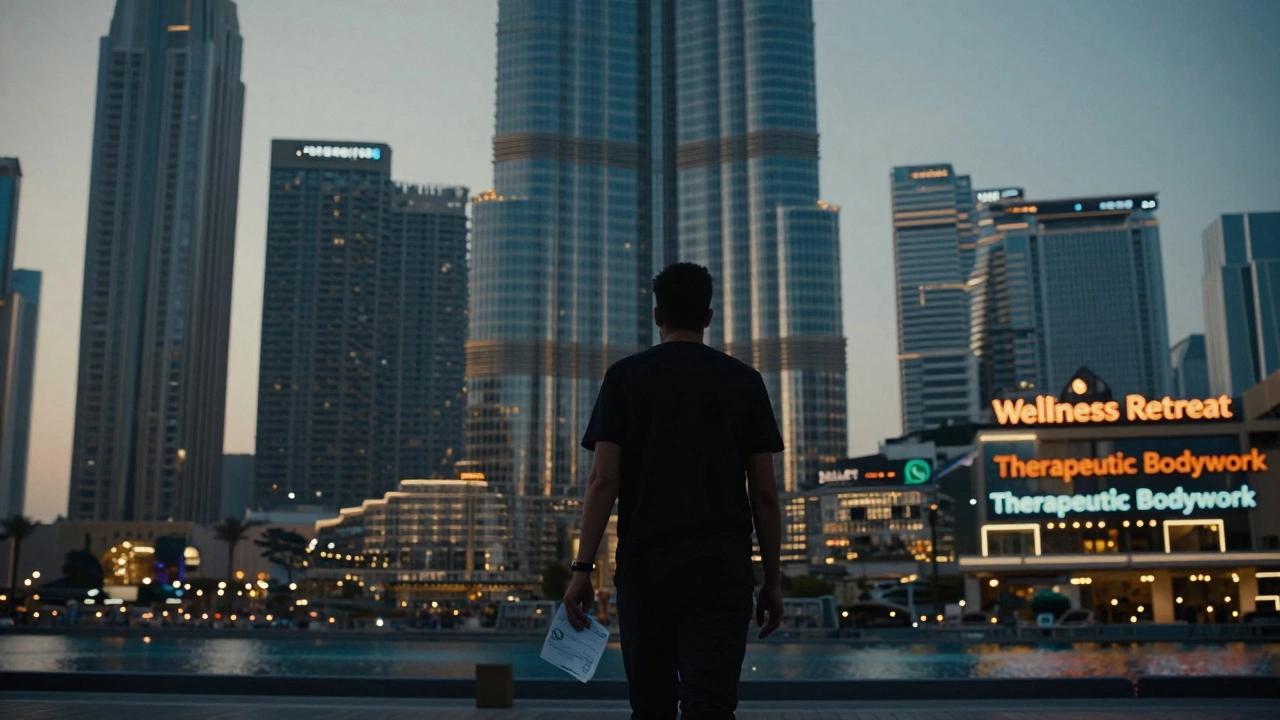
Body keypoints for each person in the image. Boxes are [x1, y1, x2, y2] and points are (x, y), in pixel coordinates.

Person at [564, 262, 786, 720]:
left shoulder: (624, 377)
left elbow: (603, 480)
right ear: (708, 316)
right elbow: (764, 492)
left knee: (652, 707)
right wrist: (772, 579)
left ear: (657, 315)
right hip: (721, 569)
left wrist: (582, 570)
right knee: (711, 706)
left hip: (646, 568)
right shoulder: (745, 381)